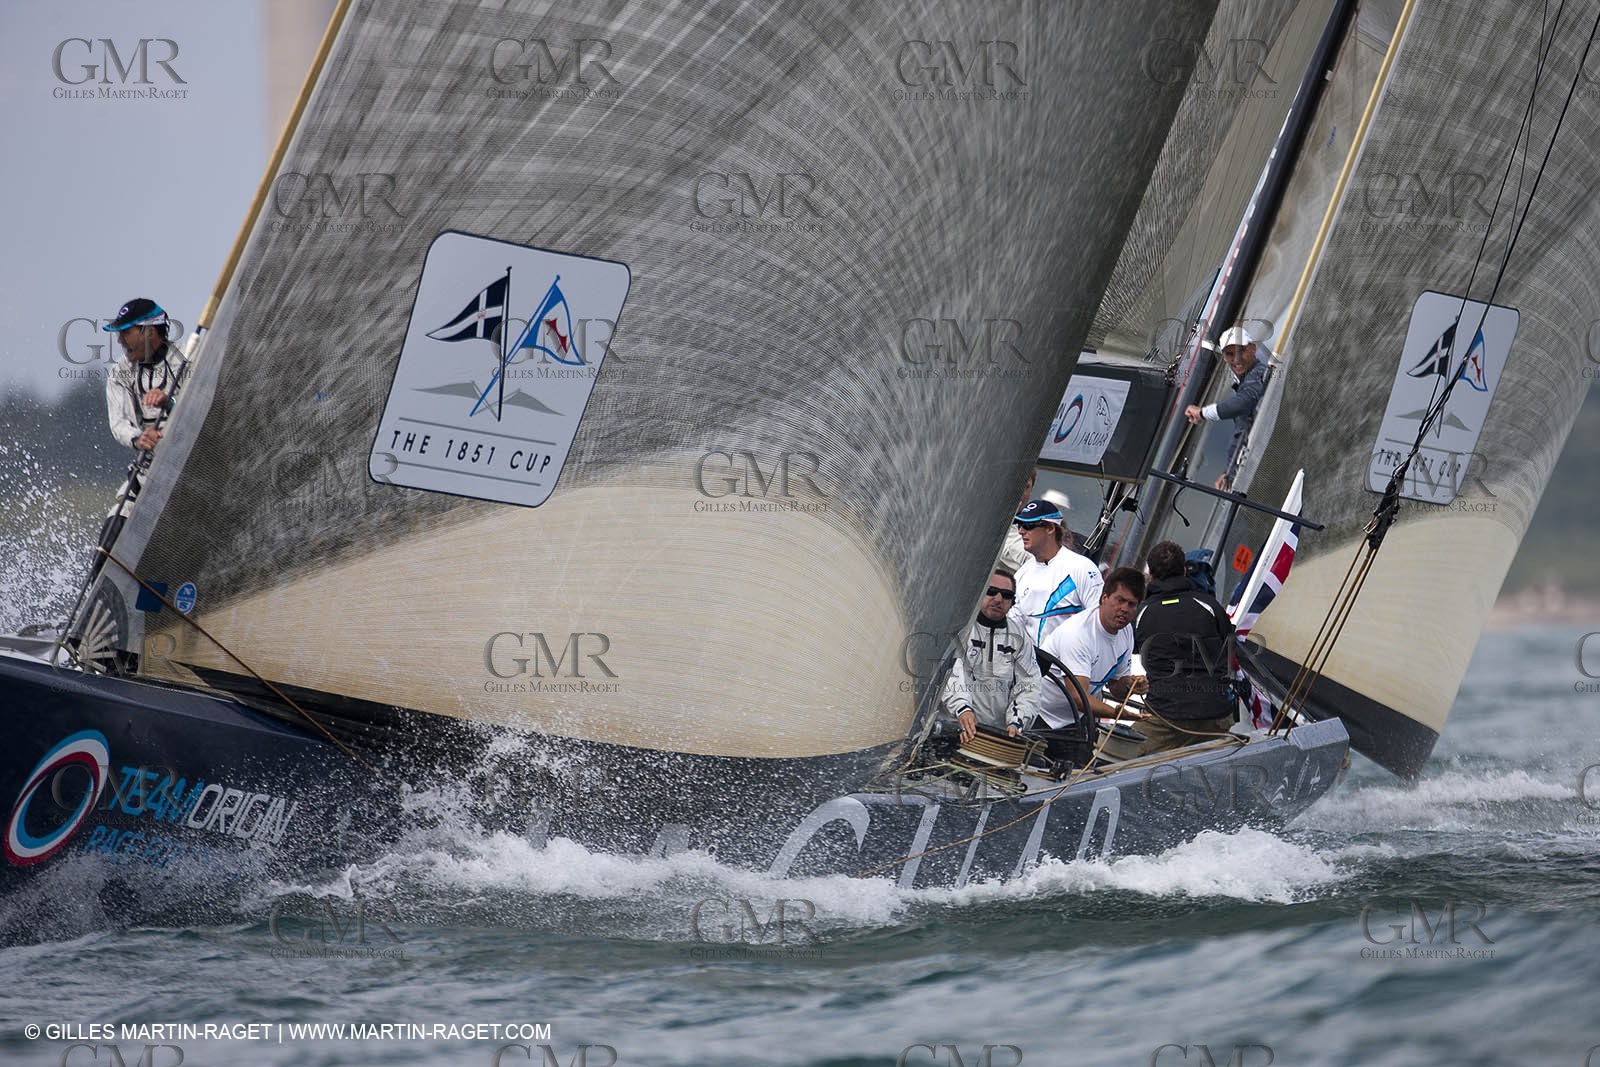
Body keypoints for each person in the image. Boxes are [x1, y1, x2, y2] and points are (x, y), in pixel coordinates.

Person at [1133, 540, 1238, 755]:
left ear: (1150, 575)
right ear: (1183, 571)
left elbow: (1132, 652)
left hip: (1165, 717)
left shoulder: (1140, 614)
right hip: (1215, 714)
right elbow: (1229, 647)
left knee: (1113, 759)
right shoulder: (1211, 606)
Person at [1032, 567, 1148, 736]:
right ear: (1104, 598)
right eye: (1120, 600)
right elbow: (1078, 698)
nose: (1124, 608)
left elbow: (1116, 688)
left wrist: (1131, 685)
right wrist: (1115, 713)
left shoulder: (1126, 631)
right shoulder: (1078, 633)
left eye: (1131, 604)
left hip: (1074, 718)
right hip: (1039, 714)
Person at [940, 568, 1042, 744]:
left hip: (994, 740)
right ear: (980, 592)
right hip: (951, 730)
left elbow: (1030, 686)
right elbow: (949, 674)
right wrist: (963, 709)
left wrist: (1017, 721)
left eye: (1006, 595)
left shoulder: (1021, 638)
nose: (998, 599)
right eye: (991, 592)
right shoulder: (959, 627)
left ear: (1013, 601)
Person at [1183, 325, 1267, 490]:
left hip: (1263, 466)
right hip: (1250, 468)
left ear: (1253, 349)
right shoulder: (1245, 382)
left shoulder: (1258, 374)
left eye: (1240, 350)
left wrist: (1202, 413)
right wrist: (1229, 472)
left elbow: (1242, 403)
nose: (1236, 359)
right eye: (1229, 354)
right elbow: (1242, 432)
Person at [1011, 498, 1103, 645]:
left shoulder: (1082, 568)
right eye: (1020, 525)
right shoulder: (1021, 574)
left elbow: (1100, 625)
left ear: (1050, 528)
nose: (1021, 531)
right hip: (1027, 665)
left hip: (1067, 665)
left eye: (1028, 525)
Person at [103, 298, 187, 455]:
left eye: (126, 333)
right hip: (153, 463)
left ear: (150, 332)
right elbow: (119, 423)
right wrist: (139, 438)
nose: (120, 340)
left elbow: (200, 409)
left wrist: (168, 403)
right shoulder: (119, 373)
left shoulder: (188, 357)